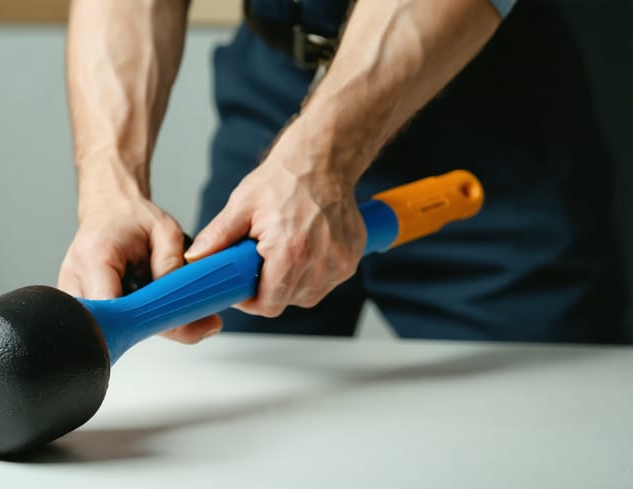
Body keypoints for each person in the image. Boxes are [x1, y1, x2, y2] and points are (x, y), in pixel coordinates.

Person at [58, 0, 630, 344]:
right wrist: (111, 189)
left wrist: (318, 160)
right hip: (275, 89)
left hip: (488, 109)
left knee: (537, 431)